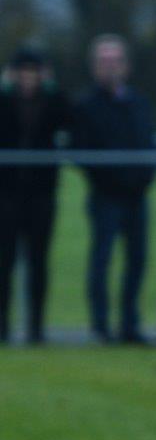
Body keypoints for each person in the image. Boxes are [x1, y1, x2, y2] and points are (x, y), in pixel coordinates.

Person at [72, 34, 156, 345]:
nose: (110, 68)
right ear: (94, 67)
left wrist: (146, 176)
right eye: (104, 62)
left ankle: (130, 325)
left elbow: (149, 142)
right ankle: (100, 327)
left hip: (137, 196)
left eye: (116, 61)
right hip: (106, 196)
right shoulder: (85, 106)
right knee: (102, 260)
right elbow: (80, 151)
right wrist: (111, 179)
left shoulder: (138, 102)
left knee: (137, 260)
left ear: (127, 66)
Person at [0, 47, 71, 345]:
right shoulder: (5, 102)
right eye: (23, 72)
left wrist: (52, 87)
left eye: (34, 72)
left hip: (41, 193)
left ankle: (36, 328)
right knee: (4, 262)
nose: (28, 79)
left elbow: (69, 119)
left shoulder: (52, 101)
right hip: (6, 193)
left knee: (38, 262)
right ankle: (3, 326)